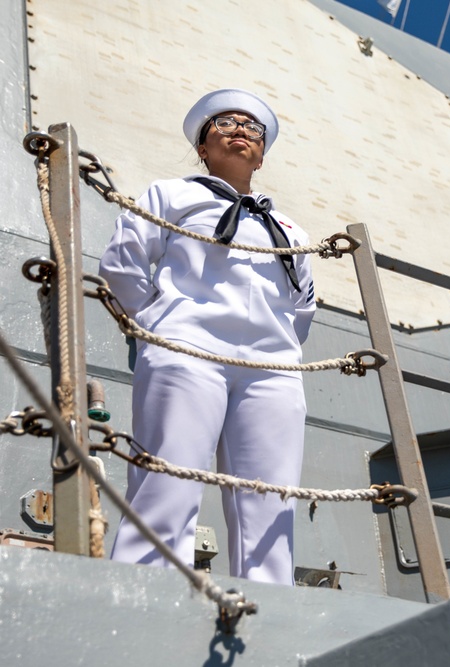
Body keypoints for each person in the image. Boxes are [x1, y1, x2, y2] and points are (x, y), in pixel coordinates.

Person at [99, 88, 316, 585]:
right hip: (187, 350)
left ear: (261, 154)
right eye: (225, 124)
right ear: (202, 146)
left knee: (271, 501)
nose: (240, 130)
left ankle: (270, 610)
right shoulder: (170, 195)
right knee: (168, 482)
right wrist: (160, 325)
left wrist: (276, 346)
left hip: (273, 370)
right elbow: (123, 263)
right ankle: (143, 594)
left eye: (252, 128)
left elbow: (302, 305)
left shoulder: (290, 228)